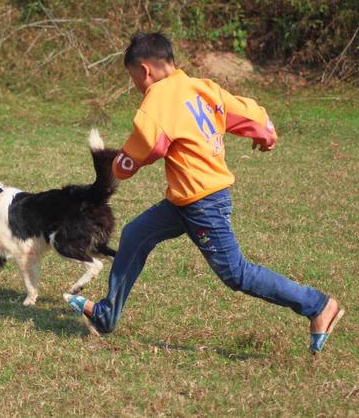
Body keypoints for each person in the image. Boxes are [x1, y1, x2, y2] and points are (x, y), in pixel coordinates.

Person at [64, 32, 344, 354]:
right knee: (135, 234)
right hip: (184, 199)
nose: (138, 87)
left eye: (134, 80)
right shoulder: (201, 87)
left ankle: (318, 305)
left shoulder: (157, 100)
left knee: (236, 273)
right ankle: (105, 315)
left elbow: (145, 148)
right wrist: (264, 131)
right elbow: (247, 114)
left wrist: (118, 166)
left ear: (145, 71)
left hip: (201, 204)